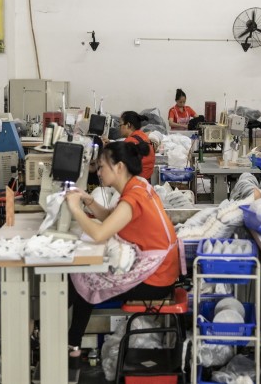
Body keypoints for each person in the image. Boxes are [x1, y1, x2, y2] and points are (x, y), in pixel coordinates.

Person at [64, 142, 179, 366]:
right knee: (81, 278)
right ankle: (71, 344)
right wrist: (88, 200)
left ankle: (67, 344)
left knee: (84, 280)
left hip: (156, 278)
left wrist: (76, 209)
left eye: (102, 167)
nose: (98, 172)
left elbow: (99, 233)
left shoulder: (133, 198)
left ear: (119, 167)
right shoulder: (138, 186)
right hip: (161, 268)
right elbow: (111, 217)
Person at [120, 111, 155, 180]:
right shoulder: (144, 137)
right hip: (146, 181)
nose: (119, 128)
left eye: (120, 125)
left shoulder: (130, 141)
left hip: (136, 182)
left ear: (128, 125)